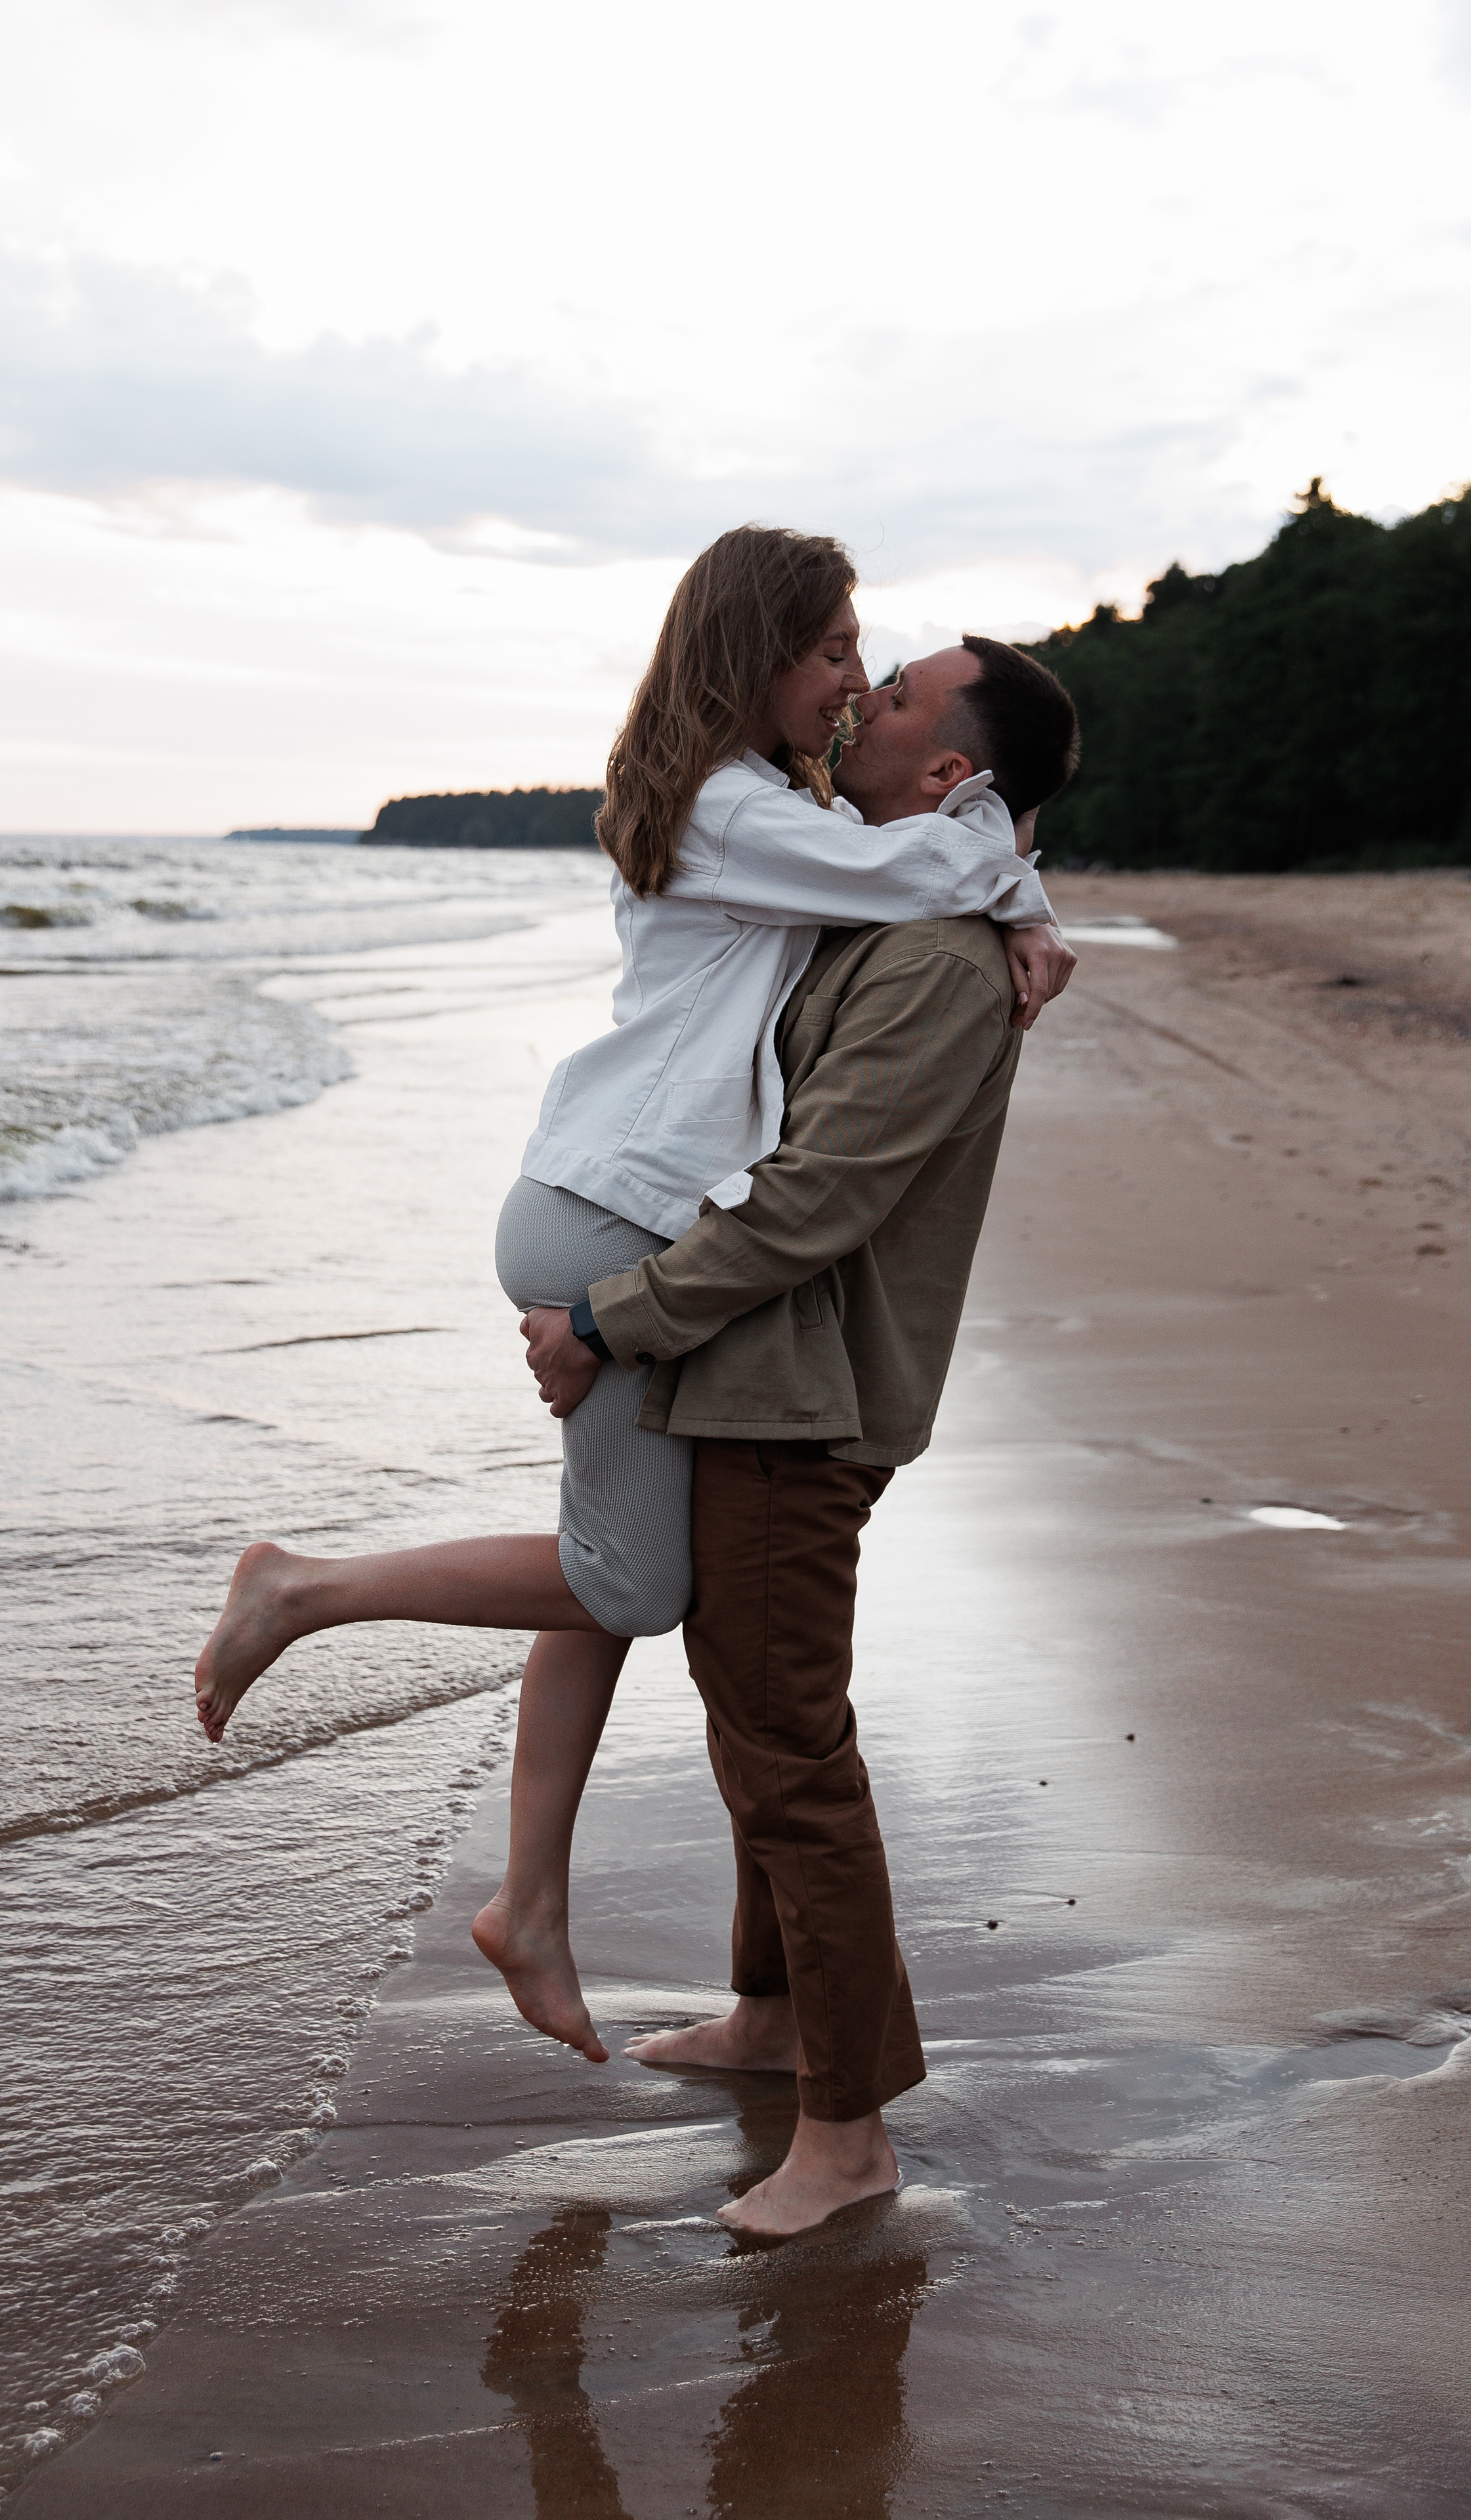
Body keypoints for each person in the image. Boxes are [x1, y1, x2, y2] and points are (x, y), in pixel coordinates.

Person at [192, 524, 1069, 2065]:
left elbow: (922, 857)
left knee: (613, 1568)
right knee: (632, 1584)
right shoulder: (736, 814)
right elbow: (923, 856)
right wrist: (1020, 895)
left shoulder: (760, 802)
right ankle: (302, 1591)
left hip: (617, 1208)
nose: (855, 687)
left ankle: (530, 1901)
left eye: (875, 665)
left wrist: (1020, 903)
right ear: (753, 655)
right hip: (614, 1220)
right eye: (833, 655)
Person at [517, 631, 1082, 2235]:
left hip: (804, 1394)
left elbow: (809, 1205)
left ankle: (847, 2134)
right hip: (762, 1375)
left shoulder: (929, 962)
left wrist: (612, 1318)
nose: (860, 701)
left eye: (893, 695)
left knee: (790, 1752)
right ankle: (773, 2023)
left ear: (948, 774)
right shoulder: (903, 896)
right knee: (753, 1725)